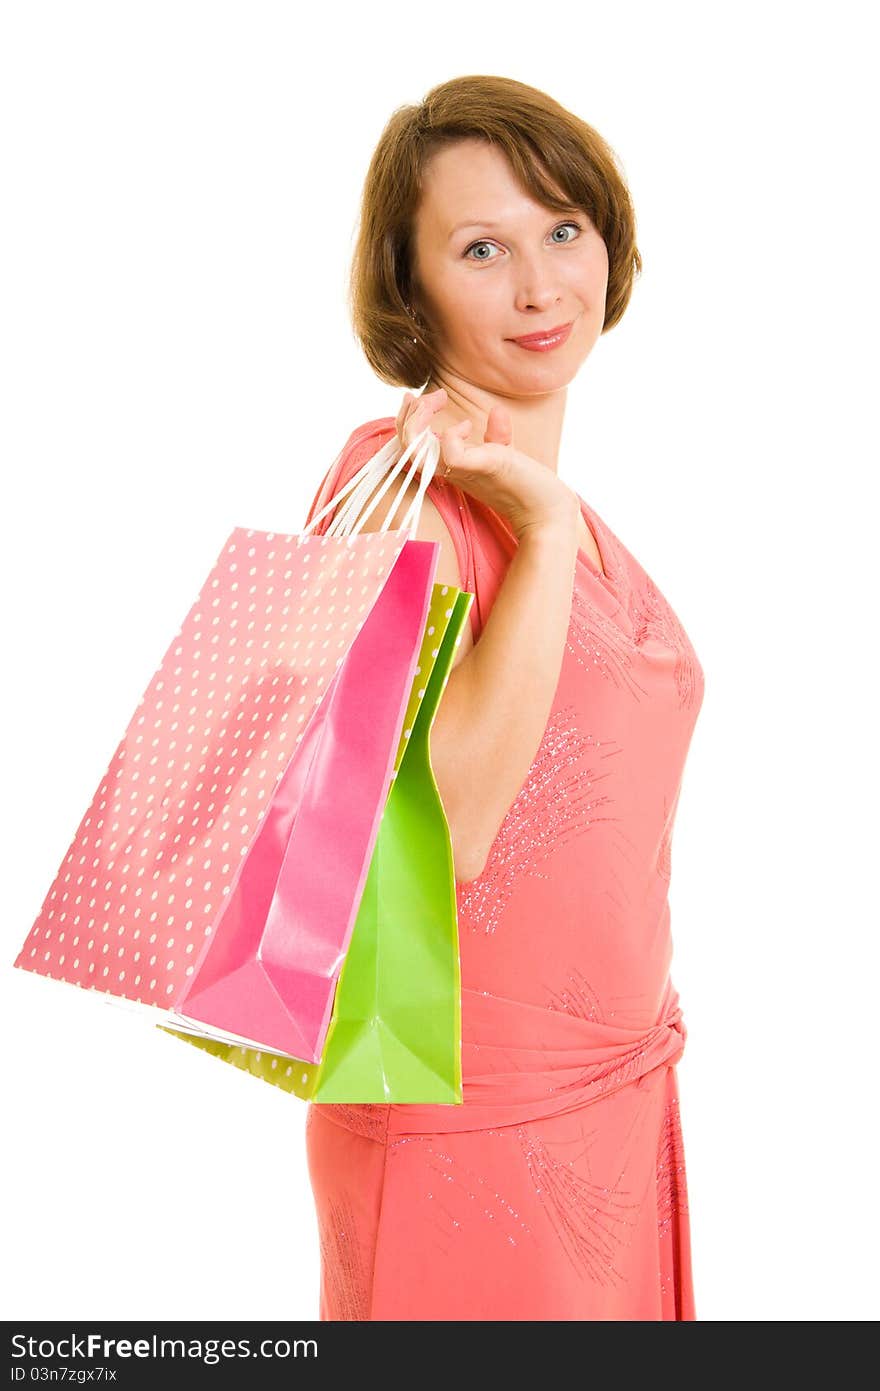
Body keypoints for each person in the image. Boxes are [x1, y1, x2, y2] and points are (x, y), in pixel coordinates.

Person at [301, 74, 705, 1321]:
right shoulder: (403, 494)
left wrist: (544, 516)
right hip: (461, 1130)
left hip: (617, 1104)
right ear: (408, 288)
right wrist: (531, 536)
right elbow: (448, 831)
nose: (540, 287)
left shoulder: (563, 506)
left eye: (563, 230)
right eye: (482, 248)